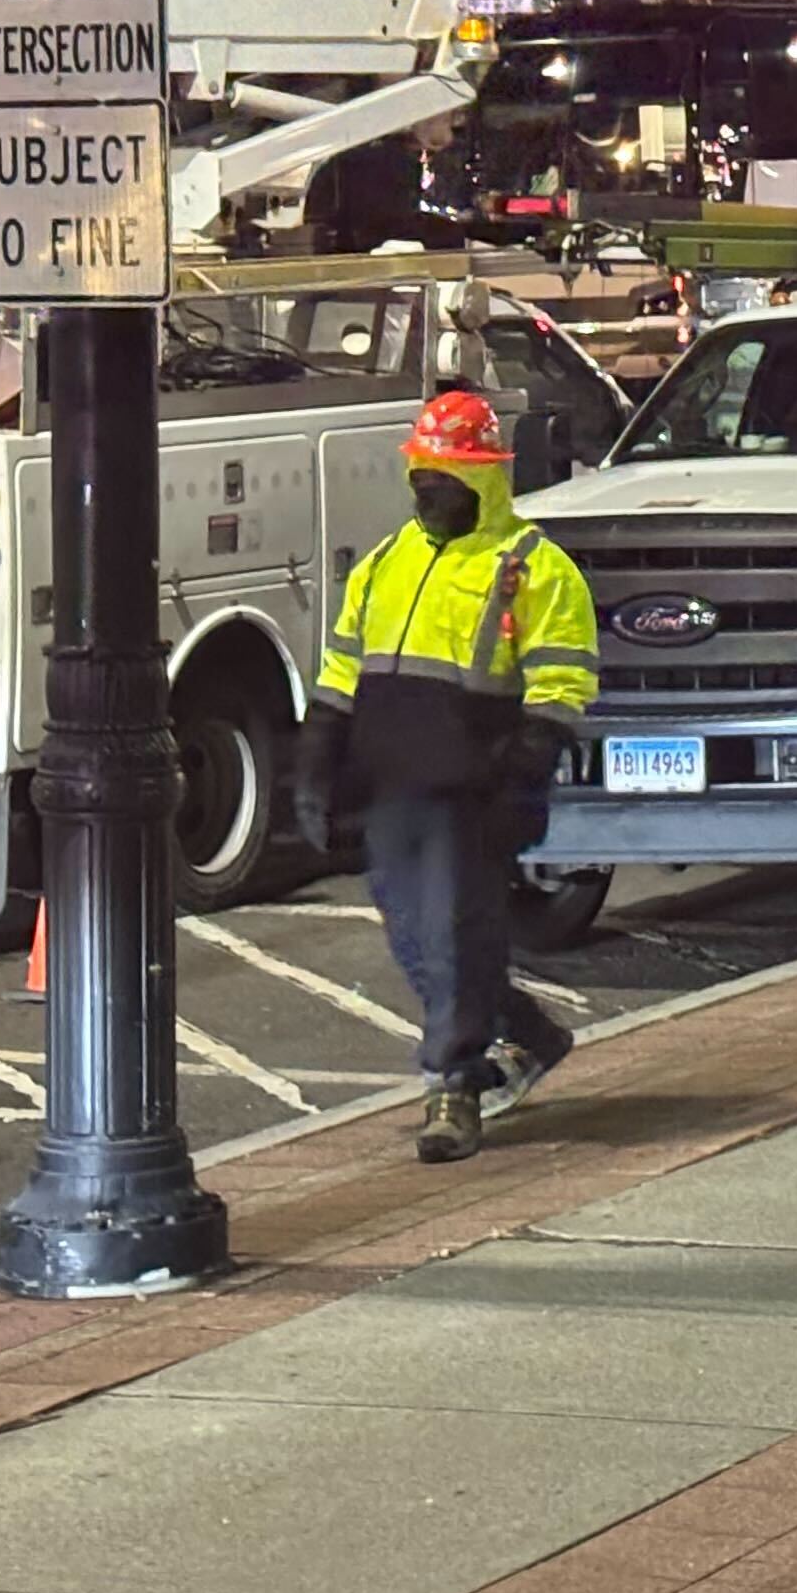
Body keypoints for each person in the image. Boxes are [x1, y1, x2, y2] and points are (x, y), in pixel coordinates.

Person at [293, 387, 600, 1163]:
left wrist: (521, 777)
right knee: (416, 943)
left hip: (472, 795)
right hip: (393, 789)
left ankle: (452, 1088)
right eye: (423, 478)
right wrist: (317, 768)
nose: (431, 493)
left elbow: (561, 690)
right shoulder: (385, 566)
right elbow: (339, 676)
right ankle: (526, 1034)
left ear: (487, 479)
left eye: (447, 478)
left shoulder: (534, 569)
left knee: (454, 939)